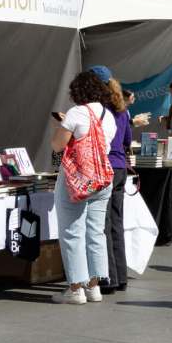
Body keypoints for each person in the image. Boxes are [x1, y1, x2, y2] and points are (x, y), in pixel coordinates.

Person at [50, 71, 117, 304]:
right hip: (102, 179)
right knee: (95, 232)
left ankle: (75, 289)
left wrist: (62, 125)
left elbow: (58, 145)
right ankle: (94, 287)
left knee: (72, 232)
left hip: (77, 180)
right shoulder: (108, 115)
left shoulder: (76, 112)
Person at [90, 66, 132, 295]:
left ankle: (109, 277)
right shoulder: (122, 110)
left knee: (101, 224)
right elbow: (127, 140)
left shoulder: (98, 110)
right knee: (116, 222)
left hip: (104, 167)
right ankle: (121, 275)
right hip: (120, 167)